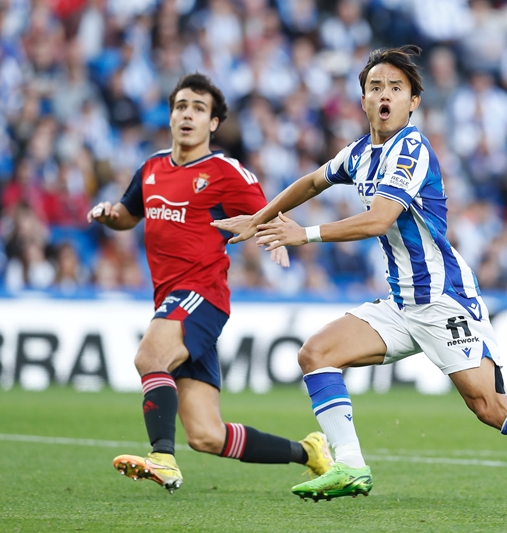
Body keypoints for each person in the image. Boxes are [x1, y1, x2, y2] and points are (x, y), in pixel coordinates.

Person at [212, 46, 507, 522]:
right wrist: (260, 219)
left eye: (396, 88)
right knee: (316, 354)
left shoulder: (411, 149)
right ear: (363, 100)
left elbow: (379, 218)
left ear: (413, 102)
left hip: (443, 300)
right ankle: (350, 465)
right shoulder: (360, 154)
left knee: (489, 405)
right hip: (403, 302)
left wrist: (302, 234)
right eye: (375, 87)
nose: (384, 95)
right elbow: (311, 182)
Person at [86, 73, 332, 493]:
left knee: (149, 357)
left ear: (213, 124)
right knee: (207, 435)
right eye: (181, 106)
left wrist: (278, 237)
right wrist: (112, 217)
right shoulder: (151, 168)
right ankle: (310, 453)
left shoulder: (224, 171)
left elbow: (270, 211)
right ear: (170, 115)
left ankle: (162, 458)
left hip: (203, 295)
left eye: (199, 109)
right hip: (171, 301)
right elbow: (131, 213)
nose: (188, 115)